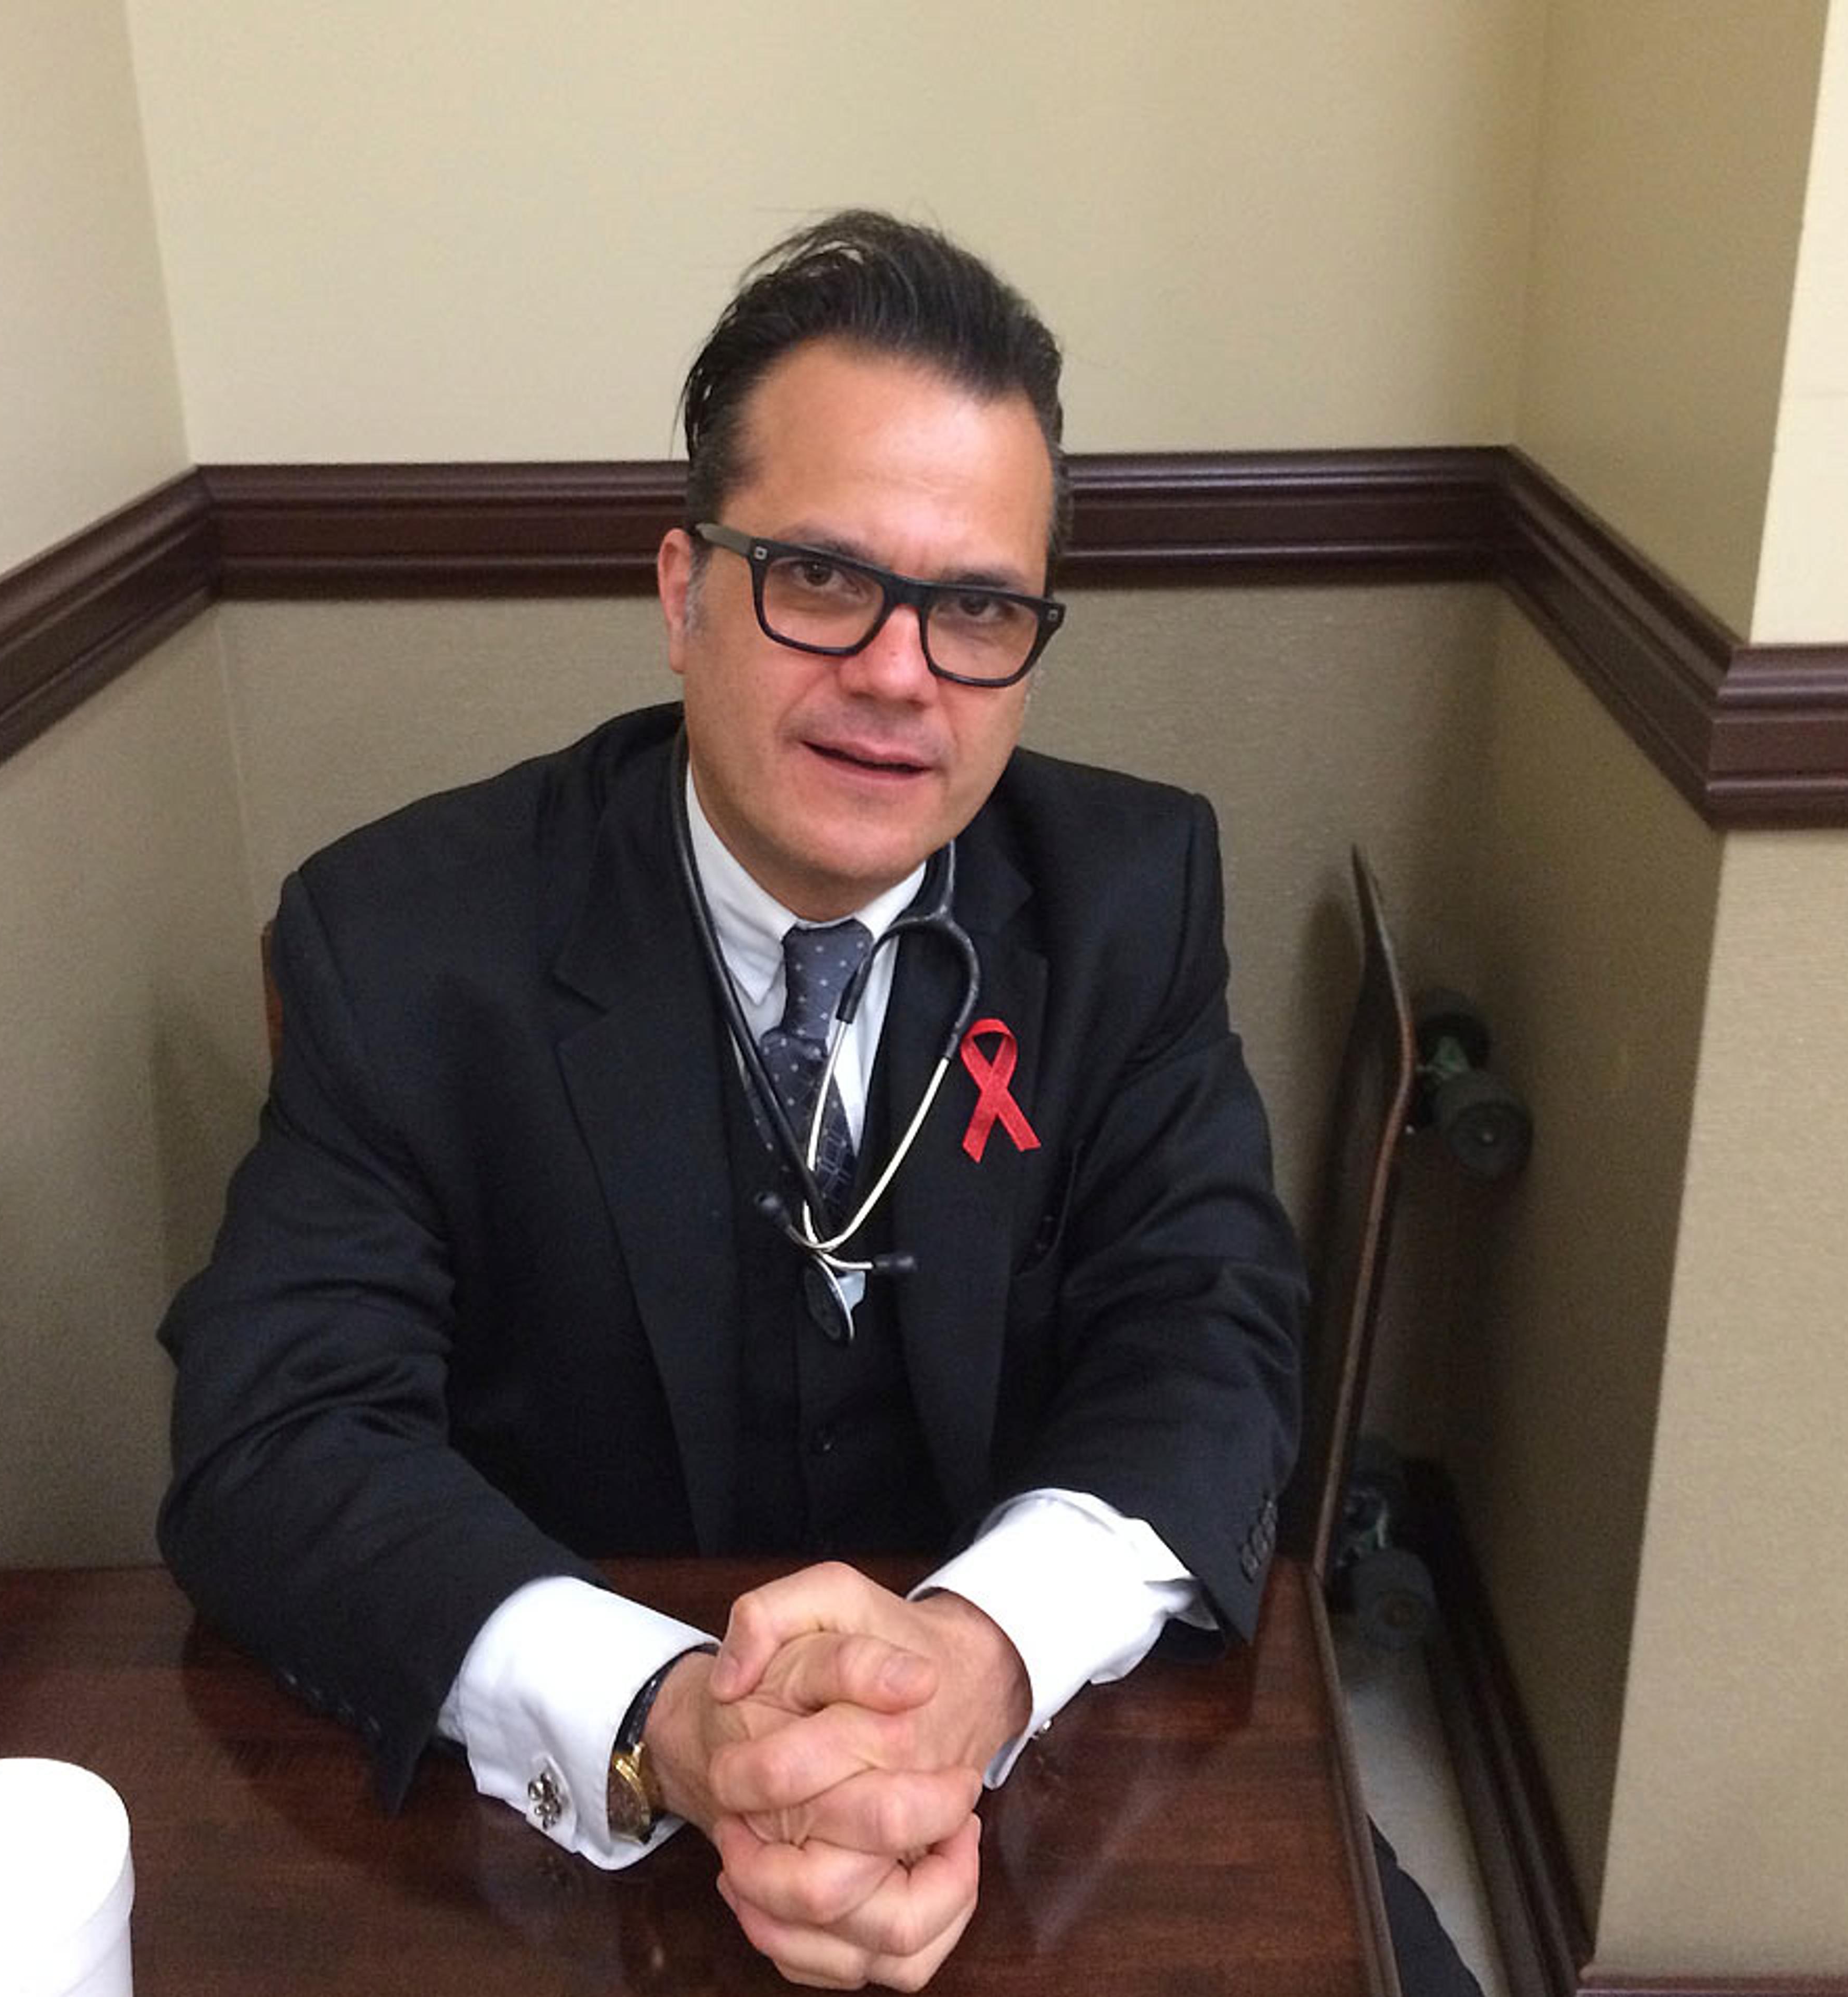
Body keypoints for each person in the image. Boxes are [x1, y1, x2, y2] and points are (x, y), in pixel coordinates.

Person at [158, 211, 1306, 1990]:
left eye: (980, 607)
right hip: (548, 1858)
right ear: (685, 590)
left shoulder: (1132, 894)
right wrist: (666, 1720)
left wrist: (975, 1664)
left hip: (1043, 1806)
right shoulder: (400, 942)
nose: (902, 672)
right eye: (826, 578)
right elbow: (277, 1439)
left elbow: (1212, 1340)